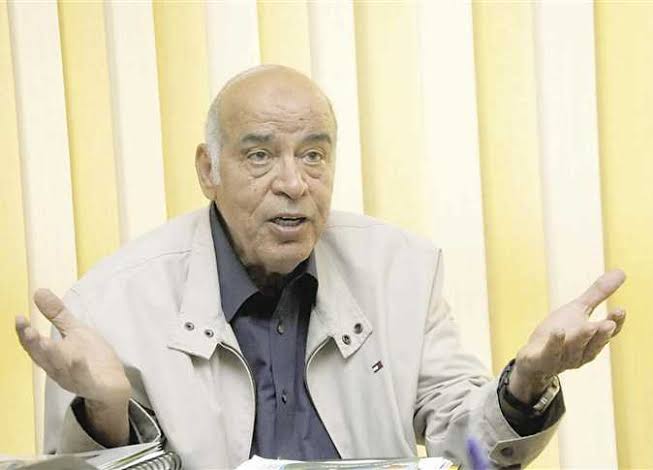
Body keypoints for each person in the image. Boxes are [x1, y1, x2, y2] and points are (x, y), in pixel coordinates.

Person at [15, 65, 627, 469]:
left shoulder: (402, 272)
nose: (294, 183)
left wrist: (526, 384)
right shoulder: (111, 305)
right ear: (209, 170)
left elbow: (467, 449)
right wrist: (105, 412)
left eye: (313, 155)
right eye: (260, 155)